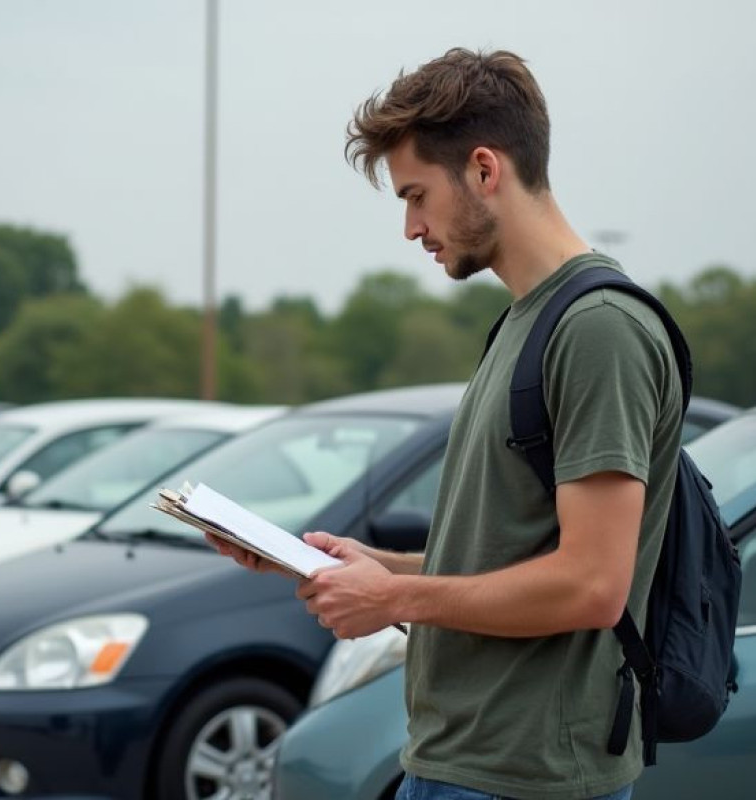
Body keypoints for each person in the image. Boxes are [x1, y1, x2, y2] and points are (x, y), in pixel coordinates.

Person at [208, 48, 683, 800]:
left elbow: (592, 586)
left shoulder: (598, 329)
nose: (409, 227)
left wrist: (394, 600)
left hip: (527, 777)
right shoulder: (527, 323)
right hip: (459, 762)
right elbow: (506, 558)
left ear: (485, 170)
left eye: (417, 195)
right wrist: (366, 570)